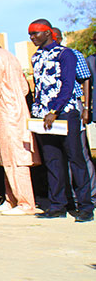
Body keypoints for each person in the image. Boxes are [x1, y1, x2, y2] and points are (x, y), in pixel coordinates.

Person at [28, 19, 93, 222]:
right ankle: (58, 204)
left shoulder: (66, 54)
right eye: (30, 34)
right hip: (42, 115)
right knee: (52, 160)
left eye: (35, 33)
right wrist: (38, 112)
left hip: (65, 113)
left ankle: (85, 206)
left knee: (75, 158)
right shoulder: (36, 57)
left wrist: (55, 110)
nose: (32, 37)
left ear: (48, 33)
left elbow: (67, 83)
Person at [0, 33, 40, 215]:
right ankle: (11, 200)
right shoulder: (11, 57)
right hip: (18, 110)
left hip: (6, 113)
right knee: (6, 158)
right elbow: (25, 87)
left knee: (15, 160)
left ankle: (26, 204)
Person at [53, 27, 96, 205]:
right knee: (60, 154)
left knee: (79, 152)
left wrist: (86, 107)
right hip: (52, 110)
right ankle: (70, 196)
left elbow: (85, 78)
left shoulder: (72, 54)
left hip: (72, 106)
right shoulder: (42, 57)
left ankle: (90, 195)